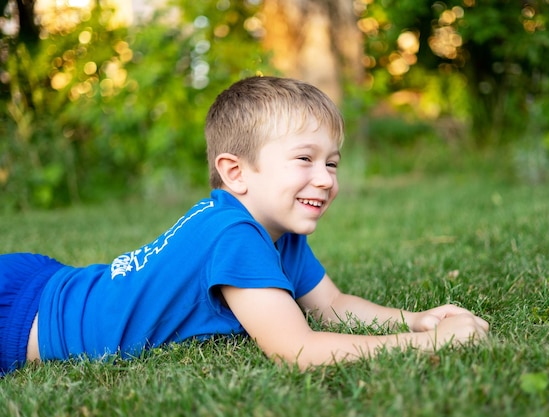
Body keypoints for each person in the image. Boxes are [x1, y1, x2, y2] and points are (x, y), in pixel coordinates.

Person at [0, 76, 489, 376]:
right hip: (22, 319)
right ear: (236, 173)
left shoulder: (279, 231)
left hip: (48, 279)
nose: (324, 179)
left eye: (333, 163)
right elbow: (297, 350)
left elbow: (333, 307)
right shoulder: (234, 235)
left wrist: (418, 318)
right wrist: (428, 344)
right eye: (304, 159)